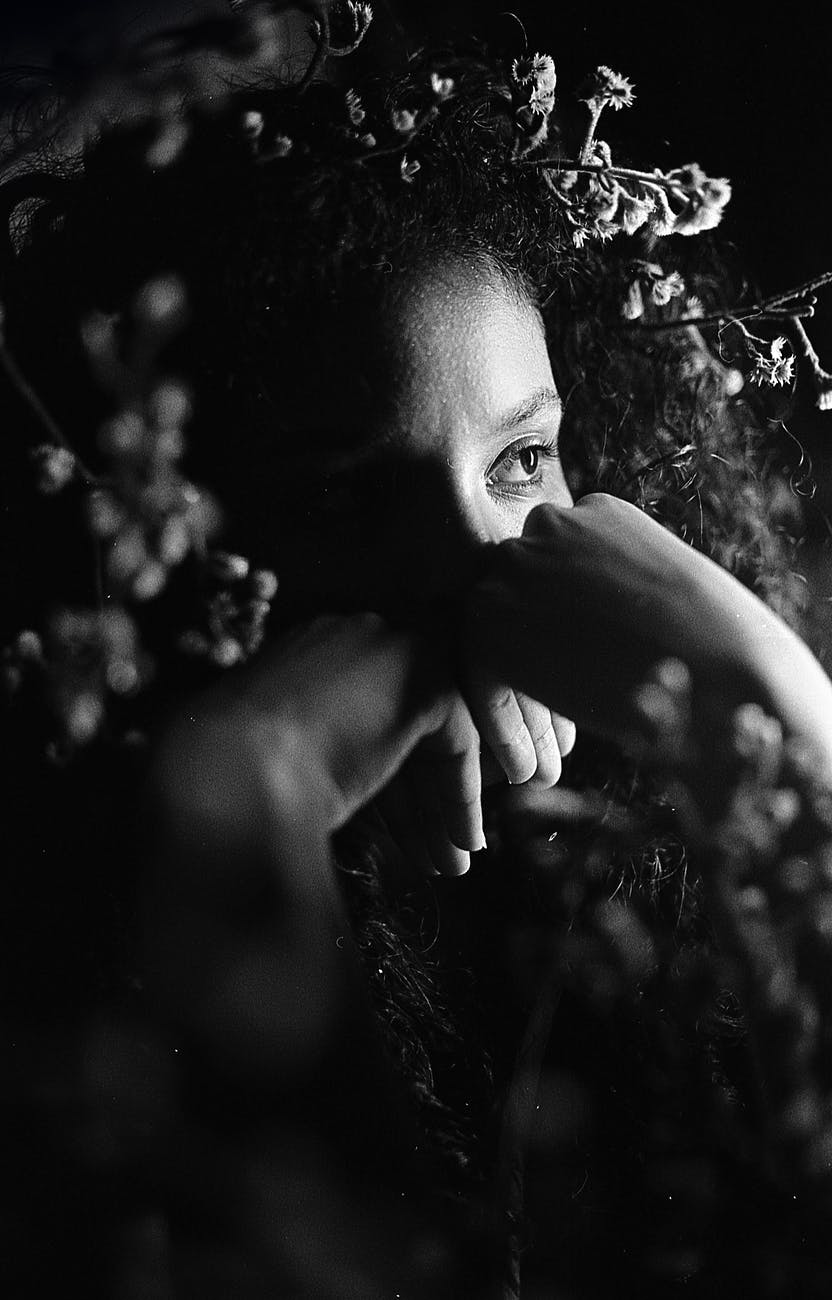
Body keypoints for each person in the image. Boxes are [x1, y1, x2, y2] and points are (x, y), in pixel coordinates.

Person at [5, 5, 832, 1296]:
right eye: (346, 501)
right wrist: (248, 795)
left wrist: (776, 716)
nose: (472, 563)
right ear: (190, 533)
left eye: (520, 460)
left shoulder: (653, 851)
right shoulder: (63, 951)